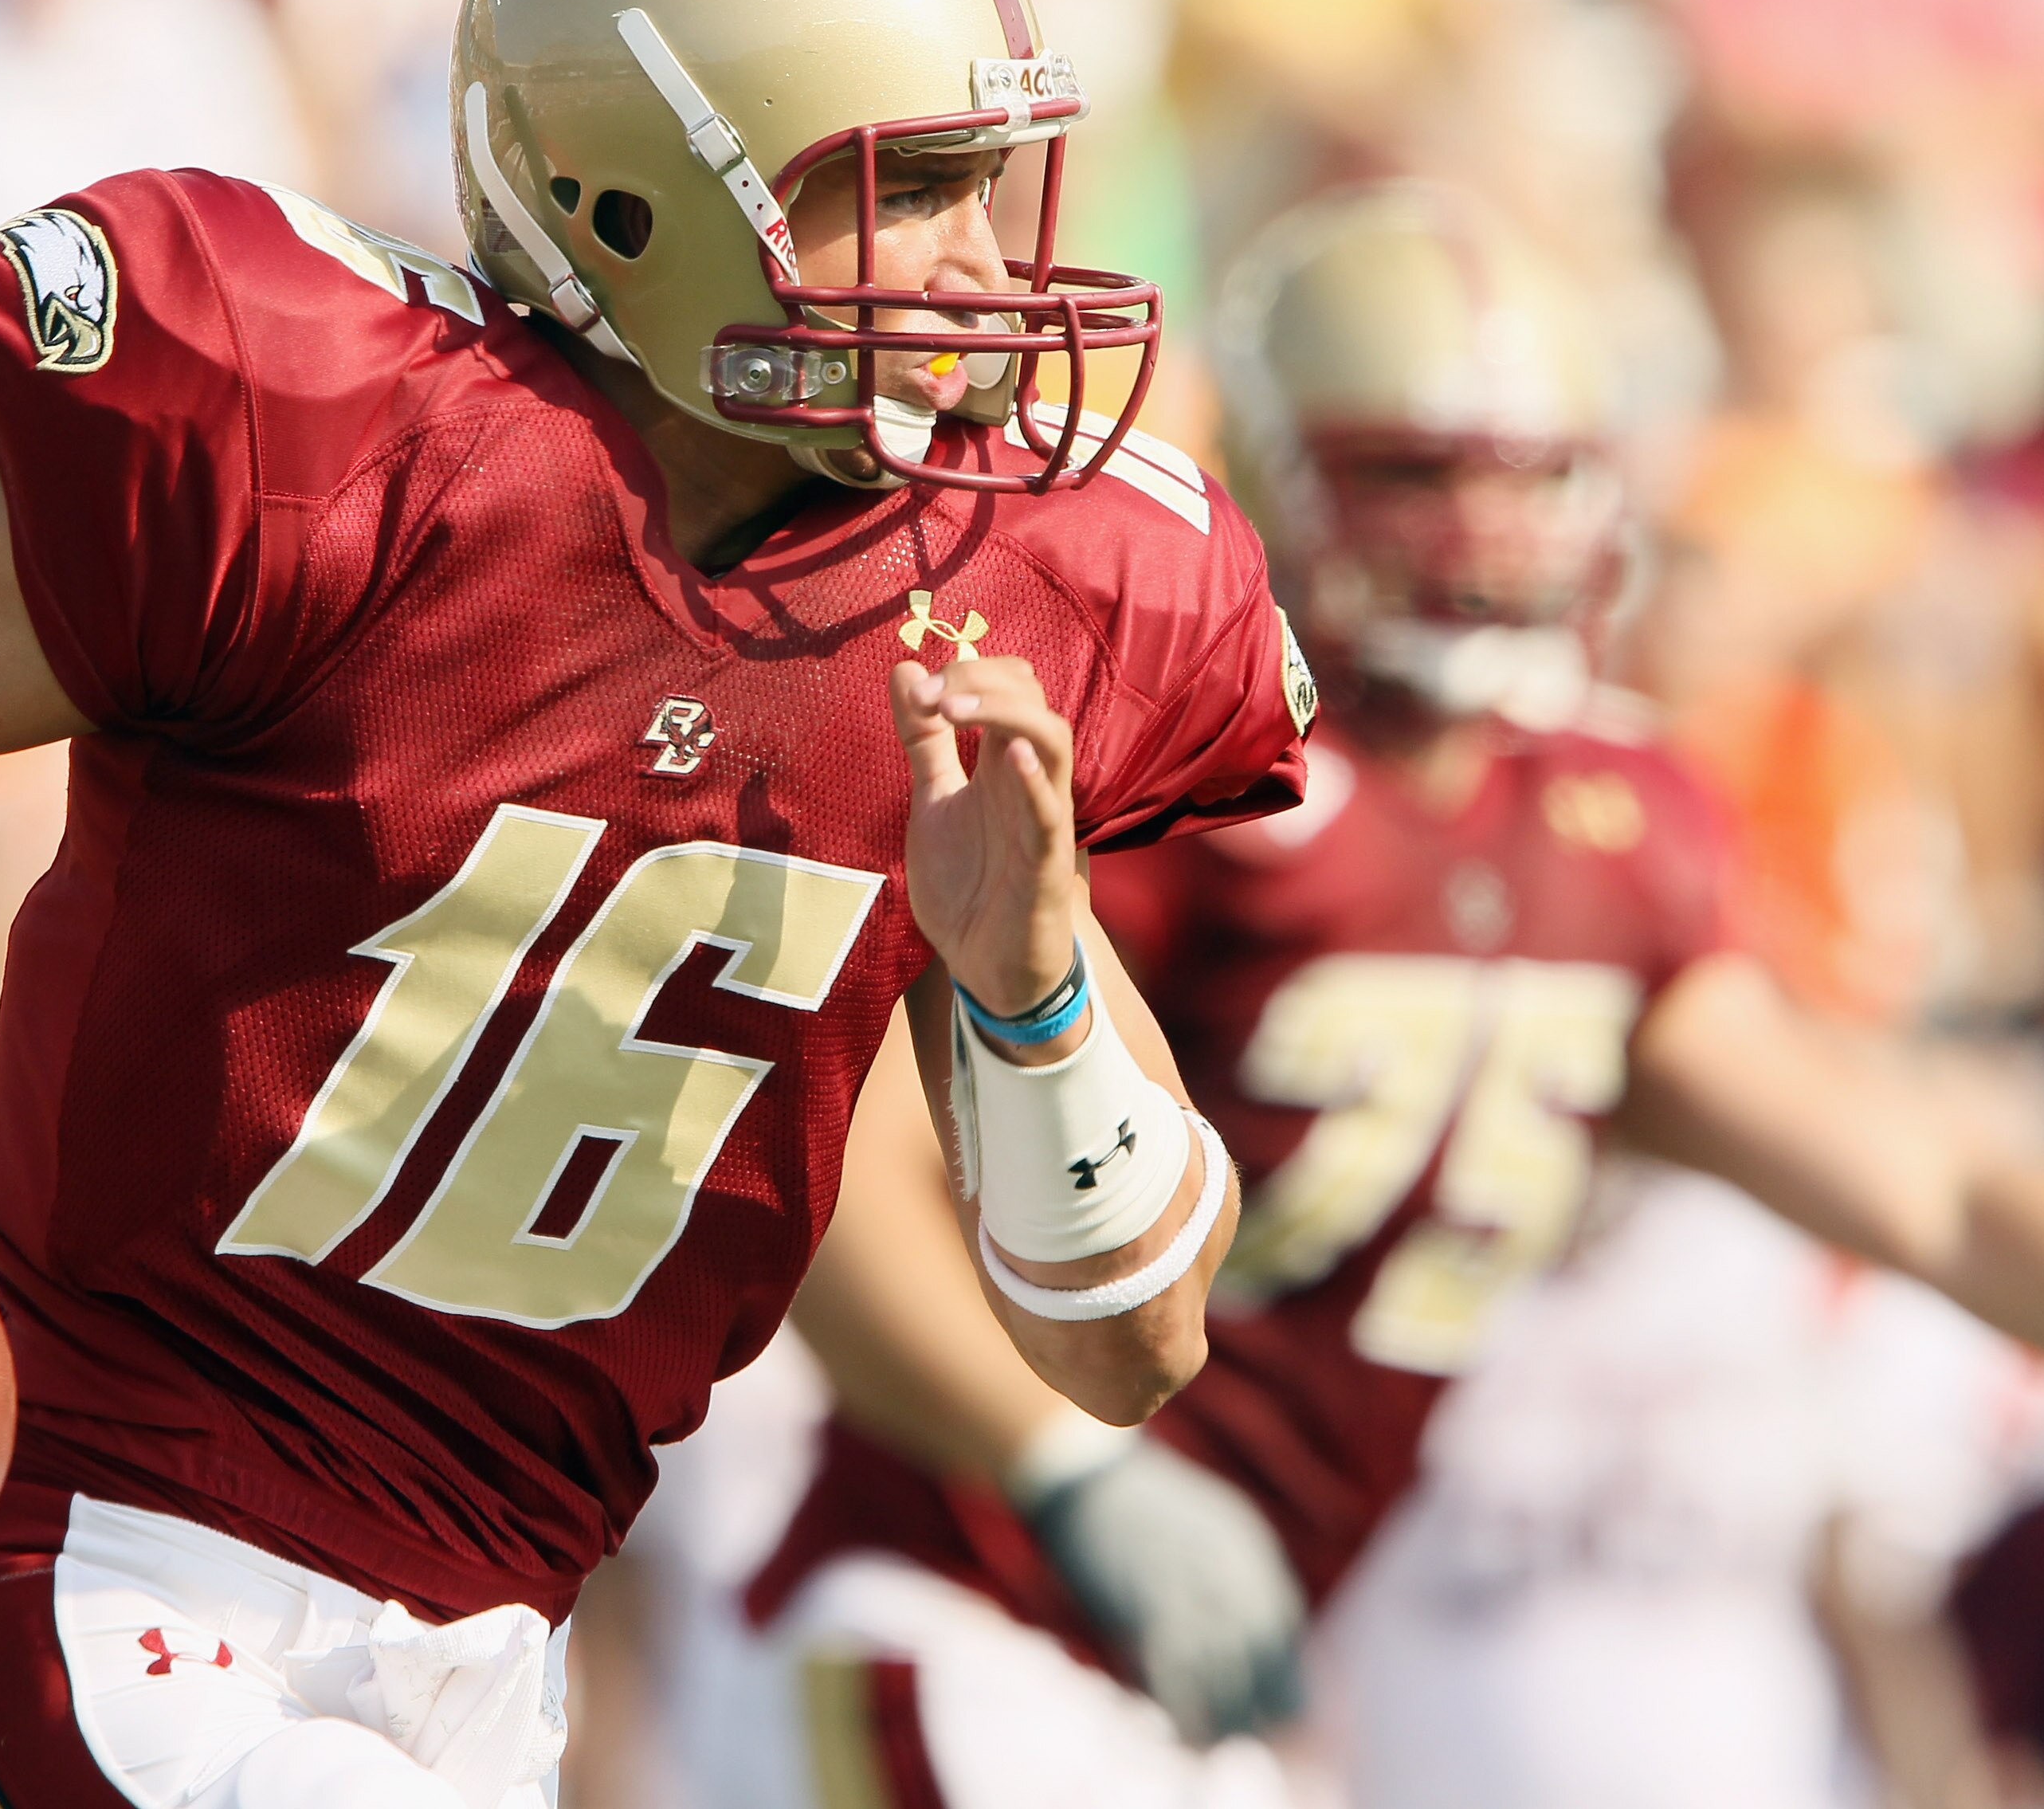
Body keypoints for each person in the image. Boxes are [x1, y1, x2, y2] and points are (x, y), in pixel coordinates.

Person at [0, 0, 1315, 1809]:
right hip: (124, 1576)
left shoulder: (1012, 597)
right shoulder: (335, 450)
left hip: (493, 1661)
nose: (984, 265)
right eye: (903, 191)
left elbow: (1127, 1340)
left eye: (988, 181)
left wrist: (1030, 988)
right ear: (635, 202)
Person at [732, 180, 2044, 1806]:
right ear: (1280, 474)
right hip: (972, 1610)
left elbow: (1930, 1187)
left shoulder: (1607, 829)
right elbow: (836, 1174)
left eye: (1530, 476)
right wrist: (1064, 1468)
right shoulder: (1184, 765)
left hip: (1209, 1693)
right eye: (1415, 474)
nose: (1484, 530)